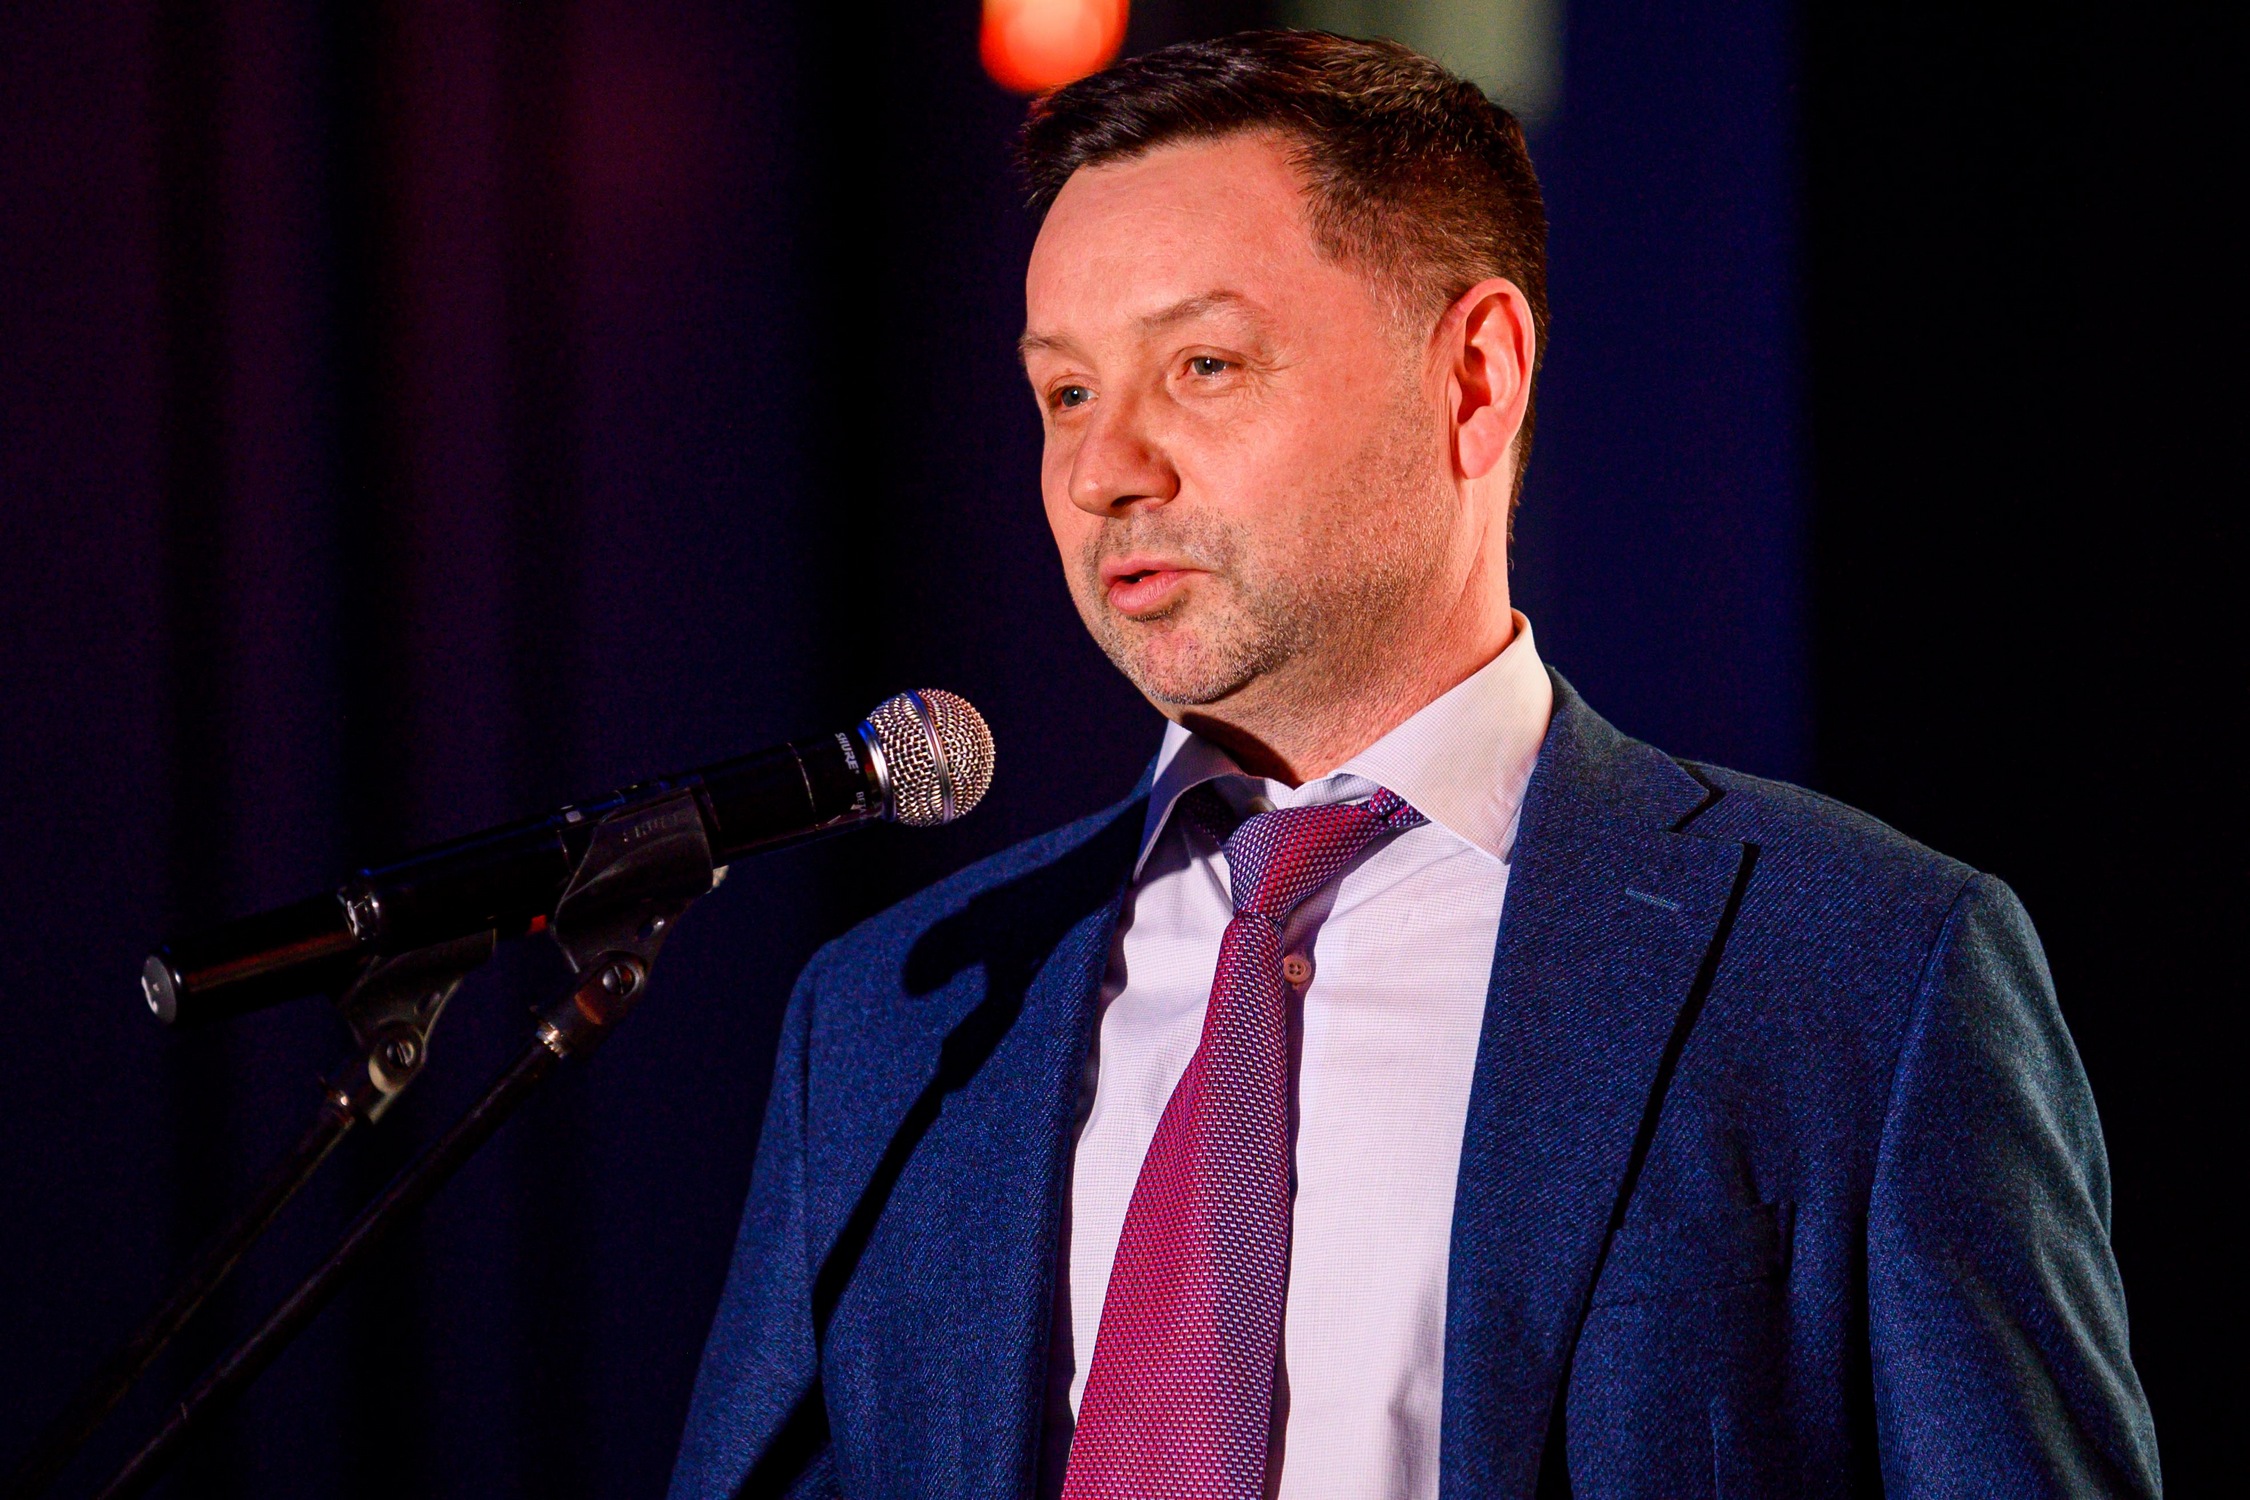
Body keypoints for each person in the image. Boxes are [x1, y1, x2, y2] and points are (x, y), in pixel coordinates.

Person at [669, 31, 2159, 1500]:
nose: (1103, 469)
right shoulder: (890, 1019)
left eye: (1201, 365)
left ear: (1474, 376)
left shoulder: (1860, 968)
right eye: (1064, 392)